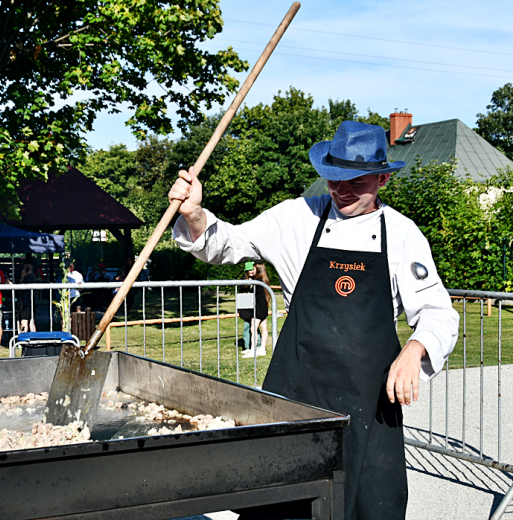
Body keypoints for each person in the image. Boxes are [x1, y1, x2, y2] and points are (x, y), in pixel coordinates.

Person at [168, 120, 459, 520]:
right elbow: (226, 244)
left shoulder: (403, 234)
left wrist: (416, 346)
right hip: (295, 398)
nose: (341, 190)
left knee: (368, 507)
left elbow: (438, 312)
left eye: (355, 182)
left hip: (367, 411)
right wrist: (196, 213)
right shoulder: (296, 218)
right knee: (280, 508)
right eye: (334, 179)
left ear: (382, 179)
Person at [247, 262, 270, 358]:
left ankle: (253, 349)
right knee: (264, 328)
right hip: (263, 307)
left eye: (254, 269)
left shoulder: (258, 282)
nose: (253, 271)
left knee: (253, 329)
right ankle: (262, 348)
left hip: (258, 308)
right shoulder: (264, 281)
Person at [238, 262, 260, 355]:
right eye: (249, 269)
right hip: (246, 307)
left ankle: (257, 345)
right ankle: (247, 346)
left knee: (255, 327)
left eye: (252, 269)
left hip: (255, 306)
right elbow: (240, 295)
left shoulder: (258, 280)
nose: (251, 271)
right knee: (247, 327)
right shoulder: (243, 281)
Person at [17, 262, 38, 333]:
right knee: (31, 320)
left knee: (24, 321)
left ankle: (24, 339)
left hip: (27, 302)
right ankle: (33, 339)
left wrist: (22, 277)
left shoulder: (30, 278)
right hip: (30, 302)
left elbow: (20, 286)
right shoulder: (33, 277)